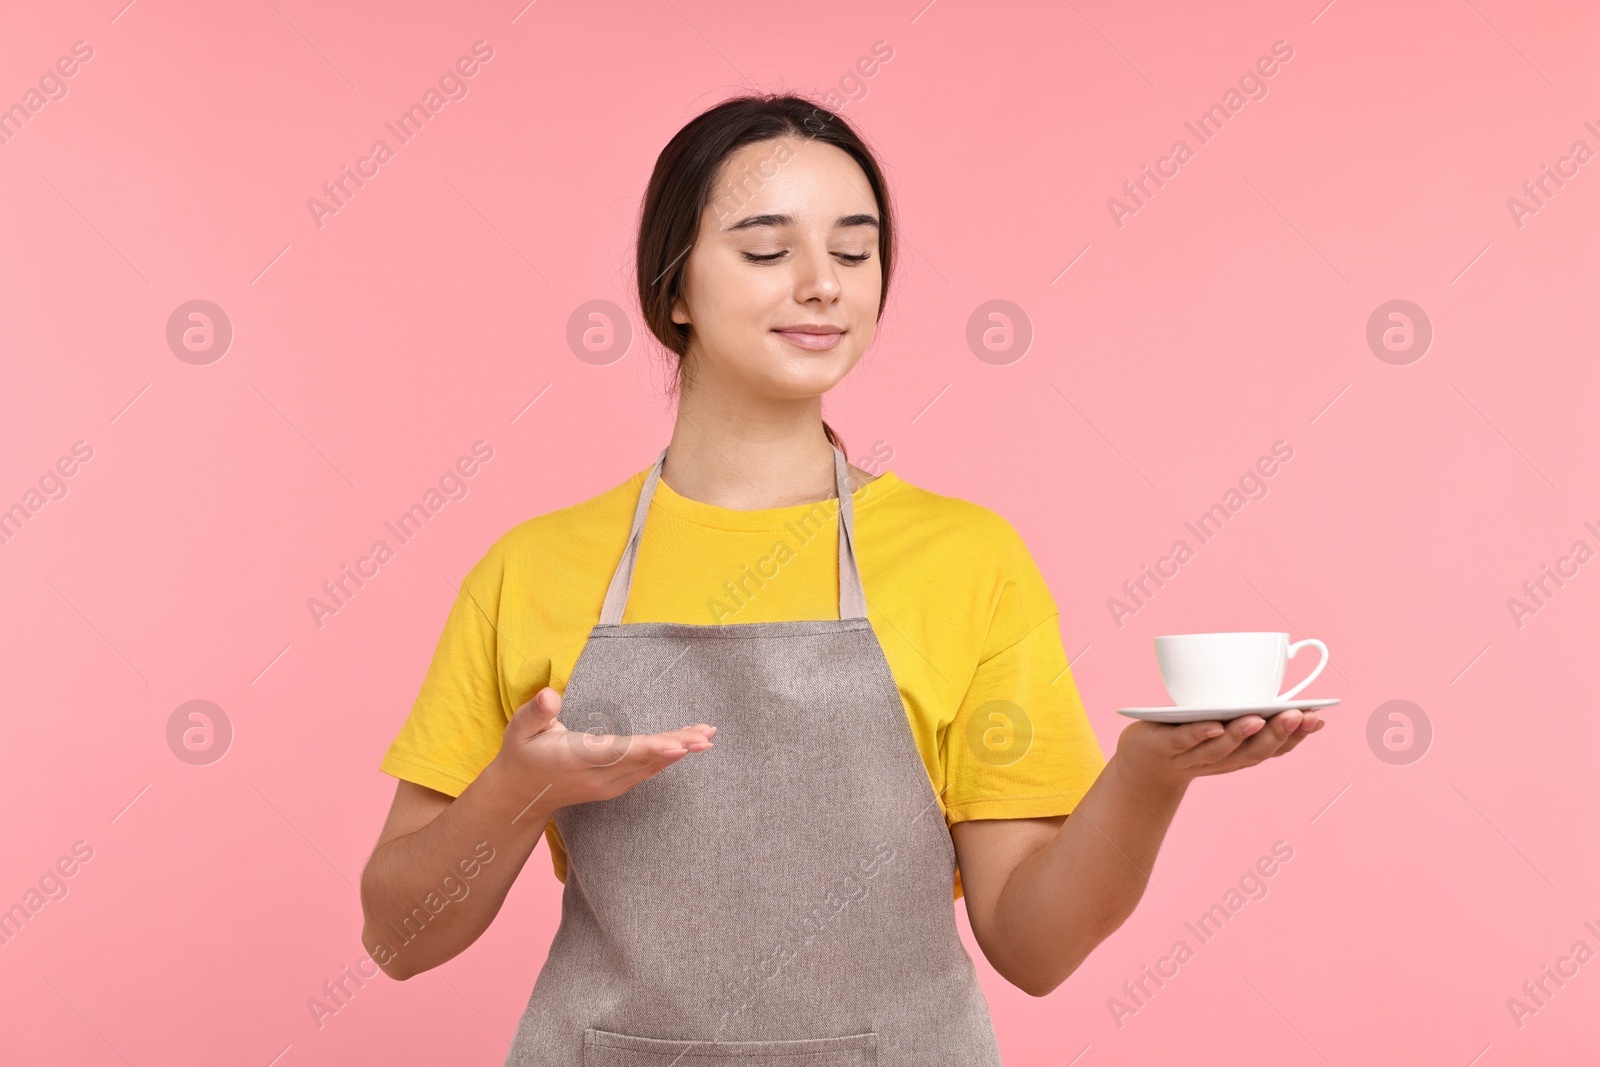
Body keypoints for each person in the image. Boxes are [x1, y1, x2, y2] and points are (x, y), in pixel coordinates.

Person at [358, 94, 1324, 1066]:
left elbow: (1032, 946)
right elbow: (398, 938)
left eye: (854, 253)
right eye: (767, 251)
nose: (822, 284)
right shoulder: (532, 568)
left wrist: (1149, 776)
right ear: (675, 288)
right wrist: (513, 791)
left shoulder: (966, 560)